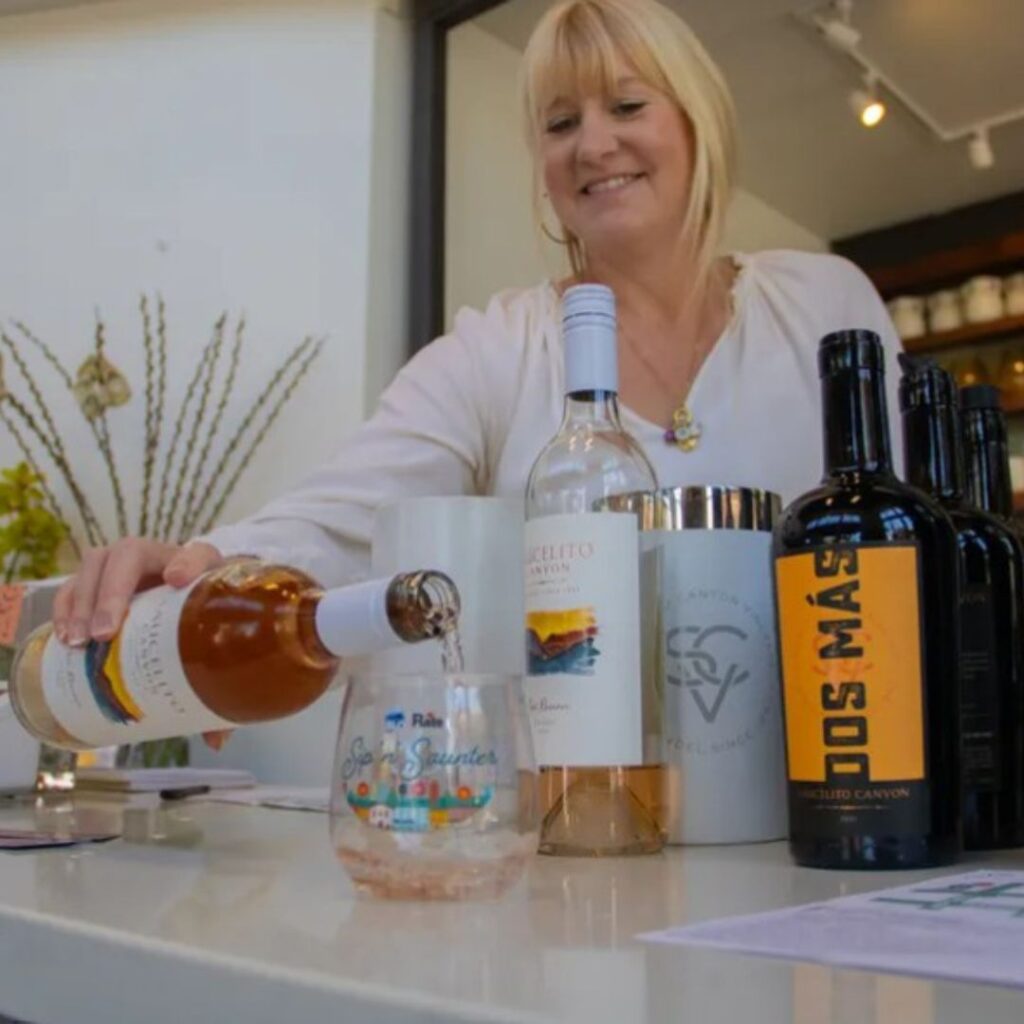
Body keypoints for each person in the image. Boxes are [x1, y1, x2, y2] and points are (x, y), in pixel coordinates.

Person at [52, 0, 901, 698]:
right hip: (577, 821)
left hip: (832, 800)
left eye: (627, 106)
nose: (593, 145)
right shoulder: (499, 349)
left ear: (697, 119)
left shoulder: (823, 305)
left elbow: (909, 547)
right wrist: (202, 566)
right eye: (560, 122)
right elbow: (346, 519)